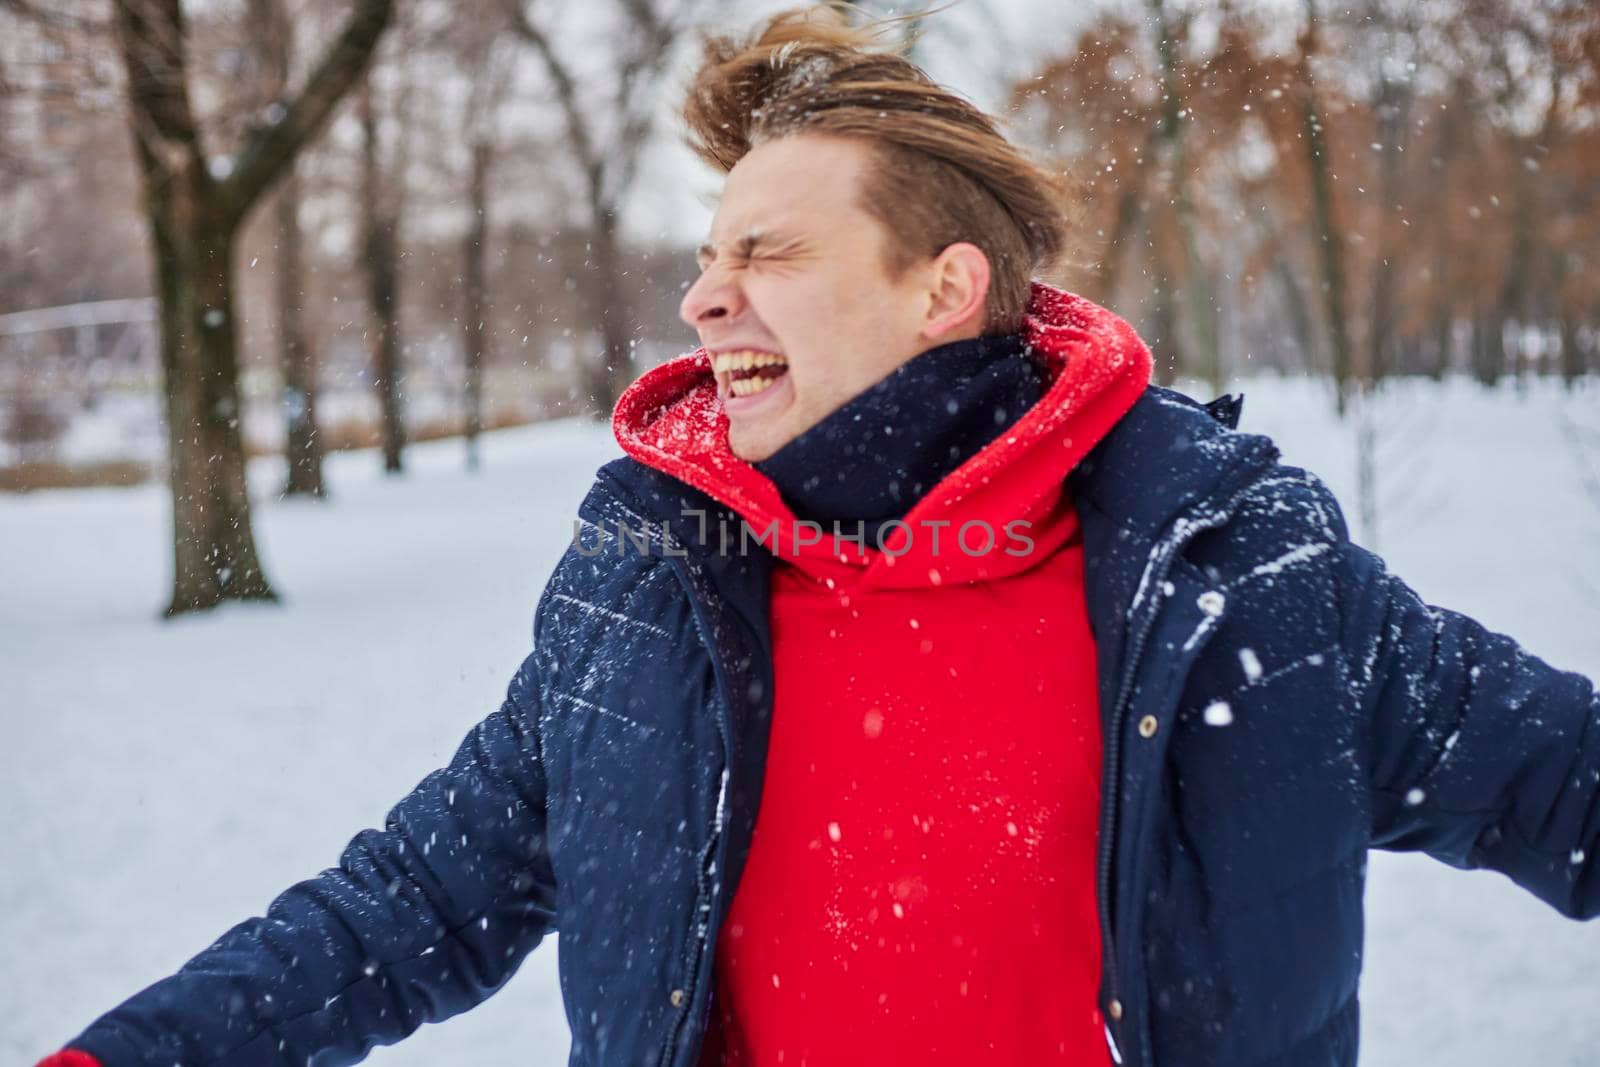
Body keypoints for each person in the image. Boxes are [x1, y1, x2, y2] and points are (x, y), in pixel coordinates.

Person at [36, 7, 1598, 1067]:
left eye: (768, 252)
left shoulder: (1233, 577)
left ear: (945, 289)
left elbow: (1556, 781)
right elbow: (410, 904)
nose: (704, 297)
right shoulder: (651, 594)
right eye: (707, 255)